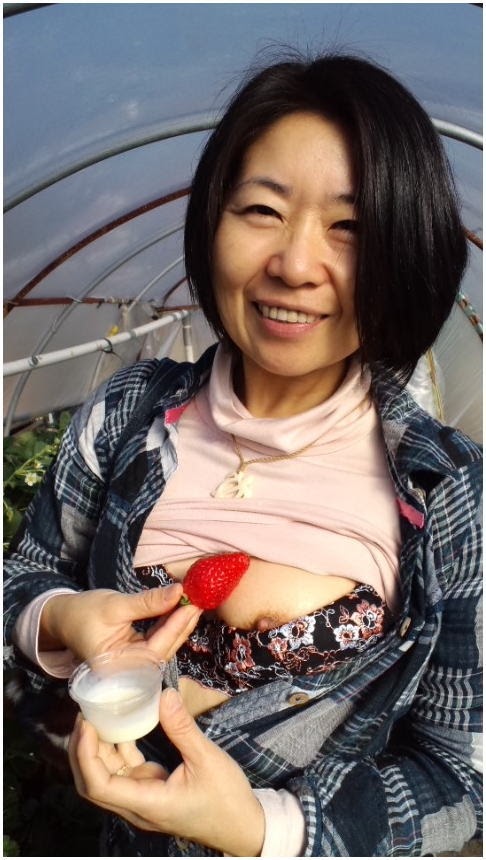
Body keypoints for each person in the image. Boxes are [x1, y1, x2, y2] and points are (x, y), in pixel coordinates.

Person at [4, 52, 482, 857]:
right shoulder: (127, 414)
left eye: (351, 227)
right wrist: (59, 618)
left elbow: (459, 778)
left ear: (407, 251)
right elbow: (23, 574)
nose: (293, 265)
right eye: (262, 209)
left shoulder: (449, 492)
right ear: (212, 220)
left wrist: (264, 827)